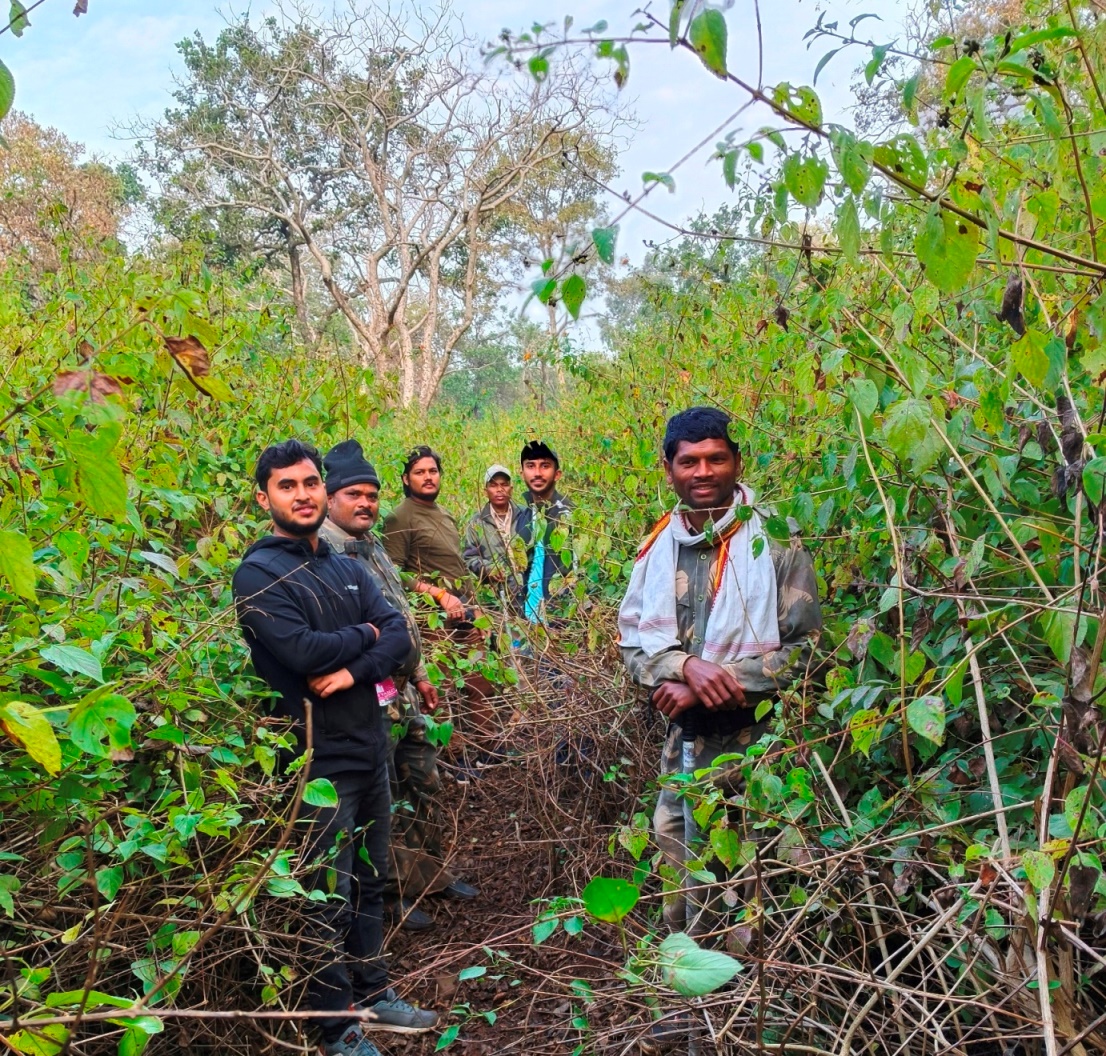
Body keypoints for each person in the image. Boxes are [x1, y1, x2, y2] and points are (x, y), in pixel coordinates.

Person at [618, 408, 821, 1053]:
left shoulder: (776, 542)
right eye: (689, 461)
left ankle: (748, 1011)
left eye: (716, 458)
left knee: (753, 870)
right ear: (669, 468)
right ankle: (690, 1004)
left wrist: (723, 677)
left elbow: (809, 649)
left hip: (760, 745)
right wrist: (683, 668)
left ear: (737, 462)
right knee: (679, 861)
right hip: (684, 742)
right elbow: (633, 646)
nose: (702, 472)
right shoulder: (658, 546)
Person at [231, 440, 438, 1056]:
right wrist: (367, 633)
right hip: (315, 762)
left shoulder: (346, 564)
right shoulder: (259, 573)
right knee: (326, 893)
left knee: (371, 879)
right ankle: (334, 1025)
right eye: (287, 485)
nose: (302, 495)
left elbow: (398, 637)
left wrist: (351, 667)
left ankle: (374, 992)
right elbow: (301, 652)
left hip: (369, 746)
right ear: (264, 497)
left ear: (323, 488)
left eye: (310, 483)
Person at [318, 440, 479, 932]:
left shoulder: (370, 547)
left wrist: (422, 675)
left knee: (422, 779)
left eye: (371, 495)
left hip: (403, 690)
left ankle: (427, 875)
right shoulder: (323, 553)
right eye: (354, 495)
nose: (365, 503)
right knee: (382, 795)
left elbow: (399, 615)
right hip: (368, 695)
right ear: (329, 498)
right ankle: (389, 893)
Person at [382, 446, 497, 753]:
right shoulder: (399, 517)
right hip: (432, 622)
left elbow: (457, 567)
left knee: (481, 682)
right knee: (439, 692)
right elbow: (394, 573)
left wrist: (477, 609)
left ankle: (487, 751)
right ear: (406, 479)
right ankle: (451, 758)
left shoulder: (444, 514)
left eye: (433, 471)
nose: (428, 477)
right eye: (419, 472)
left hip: (465, 614)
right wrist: (439, 595)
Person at [516, 441, 573, 622]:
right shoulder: (523, 518)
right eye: (530, 466)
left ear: (557, 474)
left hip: (561, 621)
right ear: (522, 473)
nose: (537, 473)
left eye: (545, 466)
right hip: (528, 622)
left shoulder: (569, 515)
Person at [462, 464, 524, 596]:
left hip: (532, 591)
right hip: (499, 595)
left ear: (511, 489)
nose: (499, 489)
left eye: (504, 485)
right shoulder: (476, 522)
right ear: (485, 491)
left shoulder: (526, 515)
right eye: (493, 485)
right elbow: (469, 558)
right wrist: (488, 569)